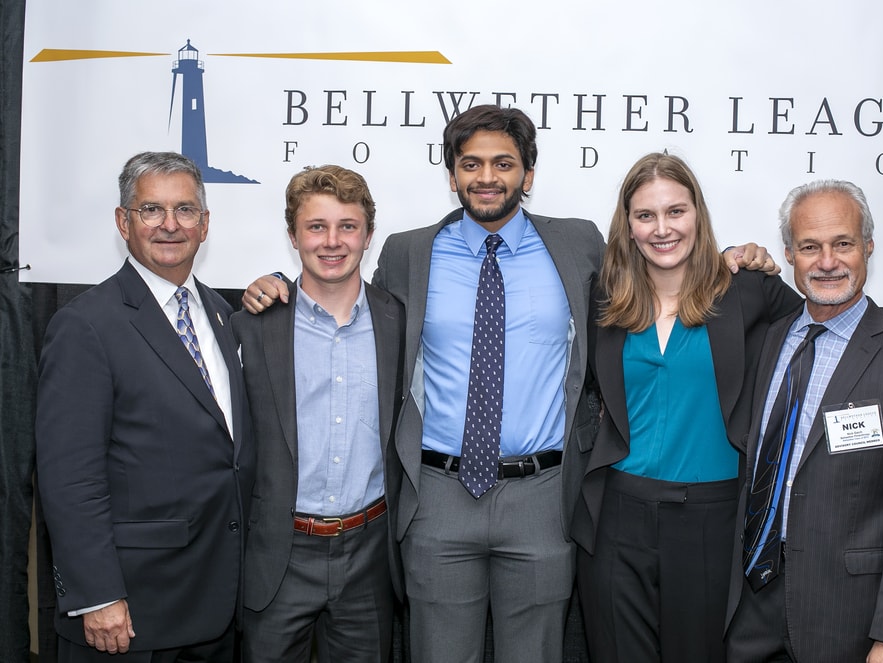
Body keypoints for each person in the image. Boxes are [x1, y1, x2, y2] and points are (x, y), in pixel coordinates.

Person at [243, 105, 781, 662]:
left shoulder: (579, 245)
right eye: (470, 164)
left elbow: (660, 274)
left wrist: (736, 258)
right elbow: (348, 305)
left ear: (528, 173)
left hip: (543, 499)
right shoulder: (408, 253)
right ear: (451, 175)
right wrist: (275, 287)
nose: (487, 177)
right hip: (439, 496)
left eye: (504, 163)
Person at [572, 152, 805, 663]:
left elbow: (833, 328)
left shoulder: (748, 289)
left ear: (697, 214)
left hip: (710, 520)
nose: (662, 229)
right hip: (614, 516)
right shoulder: (604, 299)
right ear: (627, 225)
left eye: (676, 212)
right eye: (646, 215)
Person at [724, 180, 883, 663]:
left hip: (850, 618)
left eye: (844, 244)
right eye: (810, 246)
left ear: (869, 246)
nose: (827, 261)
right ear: (789, 254)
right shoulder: (766, 342)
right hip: (750, 603)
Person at [35, 151, 254, 661]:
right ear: (122, 222)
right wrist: (98, 595)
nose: (169, 225)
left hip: (216, 604)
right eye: (151, 210)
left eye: (185, 210)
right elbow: (69, 478)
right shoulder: (85, 325)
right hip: (132, 614)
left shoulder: (223, 314)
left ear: (204, 224)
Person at [231, 165, 404, 662]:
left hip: (369, 553)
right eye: (316, 227)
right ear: (292, 235)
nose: (332, 242)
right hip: (279, 553)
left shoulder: (400, 320)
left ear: (368, 235)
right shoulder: (250, 326)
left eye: (347, 226)